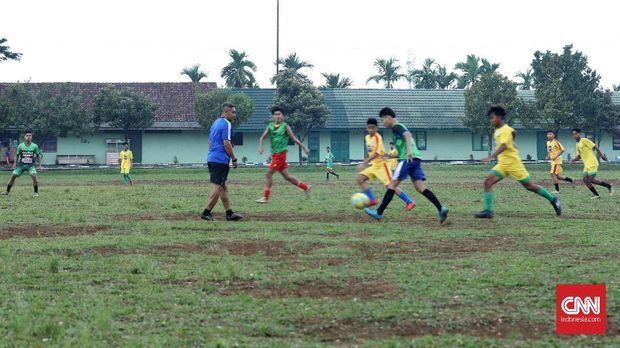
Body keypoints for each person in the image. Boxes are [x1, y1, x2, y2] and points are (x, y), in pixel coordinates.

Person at [475, 106, 561, 219]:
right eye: (490, 118)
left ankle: (553, 200)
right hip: (503, 164)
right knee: (487, 182)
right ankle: (488, 211)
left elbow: (504, 145)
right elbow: (513, 133)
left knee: (529, 186)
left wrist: (491, 156)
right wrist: (513, 142)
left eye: (492, 118)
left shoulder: (505, 129)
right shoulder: (499, 131)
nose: (491, 120)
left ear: (499, 117)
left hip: (514, 164)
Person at [365, 107, 448, 223]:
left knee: (392, 185)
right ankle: (441, 209)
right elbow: (401, 149)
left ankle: (378, 212)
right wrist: (389, 156)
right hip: (415, 159)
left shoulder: (396, 127)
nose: (383, 123)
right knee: (420, 188)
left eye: (383, 120)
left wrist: (409, 151)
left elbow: (408, 136)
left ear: (388, 117)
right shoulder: (397, 130)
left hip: (407, 159)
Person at [357, 117, 415, 211]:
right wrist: (368, 163)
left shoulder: (378, 137)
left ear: (377, 128)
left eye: (373, 128)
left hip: (382, 166)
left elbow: (377, 153)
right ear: (367, 128)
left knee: (390, 186)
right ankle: (372, 199)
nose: (371, 130)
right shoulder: (367, 137)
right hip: (374, 165)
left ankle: (409, 201)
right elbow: (371, 152)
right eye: (369, 128)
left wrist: (364, 162)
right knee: (360, 179)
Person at [256, 106, 311, 203]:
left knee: (268, 174)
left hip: (280, 155)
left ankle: (265, 197)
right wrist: (260, 146)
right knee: (287, 177)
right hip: (275, 155)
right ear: (273, 116)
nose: (277, 116)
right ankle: (306, 187)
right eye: (275, 114)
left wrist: (304, 148)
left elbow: (294, 139)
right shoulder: (270, 126)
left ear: (282, 116)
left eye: (279, 114)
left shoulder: (285, 126)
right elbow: (262, 137)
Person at [201, 102, 243, 221]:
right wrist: (234, 158)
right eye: (233, 112)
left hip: (212, 158)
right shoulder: (226, 124)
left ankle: (229, 213)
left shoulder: (215, 123)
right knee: (218, 187)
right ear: (226, 112)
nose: (234, 114)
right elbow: (226, 143)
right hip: (220, 160)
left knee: (223, 187)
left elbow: (210, 142)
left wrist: (212, 154)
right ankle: (206, 212)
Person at [568, 128, 614, 198]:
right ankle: (596, 195)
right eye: (573, 134)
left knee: (591, 180)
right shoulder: (577, 144)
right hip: (586, 164)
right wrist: (572, 160)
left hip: (592, 162)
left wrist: (601, 156)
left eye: (576, 134)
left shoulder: (584, 140)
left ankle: (609, 186)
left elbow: (595, 146)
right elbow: (579, 156)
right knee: (585, 180)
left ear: (579, 134)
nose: (574, 135)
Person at [2, 130, 42, 197]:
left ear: (31, 137)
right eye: (27, 135)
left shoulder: (35, 146)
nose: (29, 137)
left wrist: (40, 165)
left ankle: (36, 193)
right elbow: (17, 155)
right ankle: (6, 191)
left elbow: (38, 156)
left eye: (30, 136)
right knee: (13, 175)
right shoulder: (20, 146)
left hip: (30, 166)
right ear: (24, 137)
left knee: (34, 176)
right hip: (21, 165)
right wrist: (15, 163)